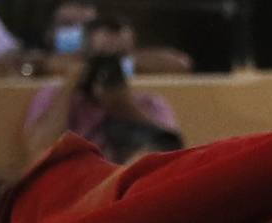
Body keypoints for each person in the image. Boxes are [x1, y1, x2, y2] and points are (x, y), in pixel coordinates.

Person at [21, 12, 181, 163]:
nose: (106, 68)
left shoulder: (150, 103)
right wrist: (70, 85)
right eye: (99, 60)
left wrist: (126, 107)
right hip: (74, 183)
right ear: (81, 55)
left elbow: (169, 158)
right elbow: (38, 151)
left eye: (117, 60)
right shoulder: (54, 95)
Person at [40, 1, 192, 77]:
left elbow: (181, 64)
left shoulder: (126, 62)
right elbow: (49, 66)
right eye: (69, 25)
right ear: (49, 32)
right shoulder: (36, 62)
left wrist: (119, 55)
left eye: (87, 26)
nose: (79, 32)